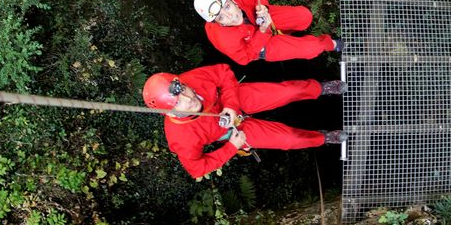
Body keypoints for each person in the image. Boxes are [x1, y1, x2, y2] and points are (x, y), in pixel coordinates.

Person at [142, 64, 347, 179]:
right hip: (233, 132)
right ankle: (325, 137)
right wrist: (232, 147)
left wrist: (230, 104)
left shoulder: (192, 78)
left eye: (183, 90)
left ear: (180, 82)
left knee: (287, 91)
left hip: (232, 100)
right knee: (289, 140)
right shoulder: (181, 138)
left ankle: (322, 88)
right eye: (179, 103)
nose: (189, 99)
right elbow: (196, 169)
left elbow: (223, 72)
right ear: (170, 113)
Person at [194, 0, 340, 65]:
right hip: (260, 45)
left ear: (232, 0)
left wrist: (263, 6)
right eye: (221, 18)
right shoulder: (222, 38)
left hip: (262, 15)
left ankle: (286, 34)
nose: (230, 16)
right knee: (312, 48)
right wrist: (263, 32)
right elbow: (244, 58)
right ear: (217, 23)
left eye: (227, 7)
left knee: (304, 16)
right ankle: (332, 44)